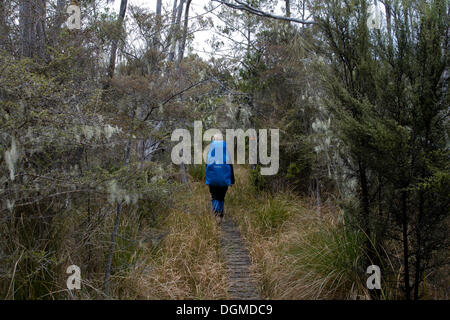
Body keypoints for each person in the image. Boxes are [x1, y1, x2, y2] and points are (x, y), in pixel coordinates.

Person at [205, 134, 235, 224]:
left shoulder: (210, 150)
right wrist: (232, 180)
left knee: (214, 196)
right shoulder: (226, 150)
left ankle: (216, 214)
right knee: (221, 197)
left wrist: (207, 178)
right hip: (224, 178)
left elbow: (206, 166)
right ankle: (220, 215)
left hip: (212, 179)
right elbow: (230, 166)